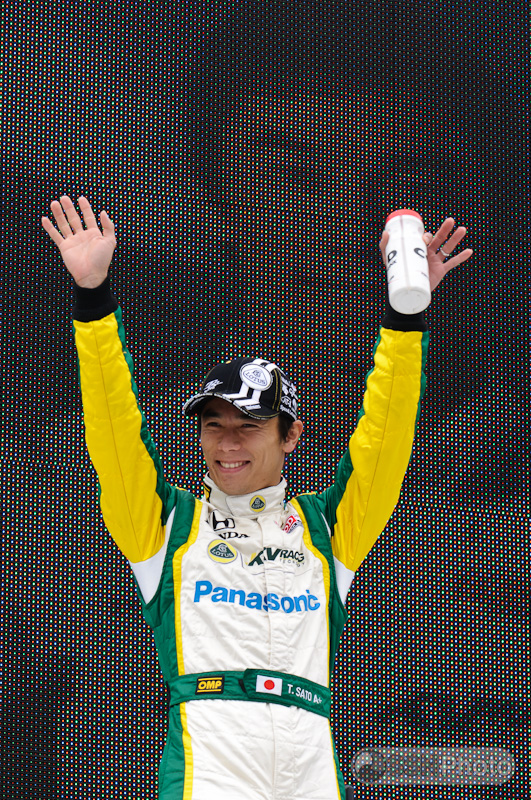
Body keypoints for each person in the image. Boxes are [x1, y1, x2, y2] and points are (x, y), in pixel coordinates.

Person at [41, 196, 472, 800]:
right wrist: (93, 301)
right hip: (213, 757)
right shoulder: (168, 524)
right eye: (212, 425)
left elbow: (386, 438)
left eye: (247, 426)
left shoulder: (328, 529)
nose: (227, 443)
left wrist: (408, 319)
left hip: (311, 758)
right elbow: (114, 431)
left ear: (290, 436)